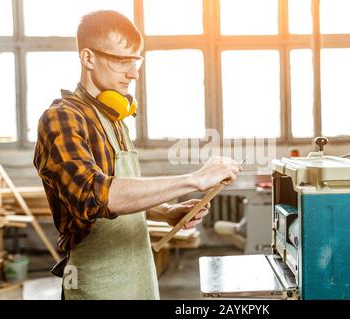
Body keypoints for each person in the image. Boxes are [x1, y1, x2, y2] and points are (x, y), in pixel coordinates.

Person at [33, 10, 242, 300]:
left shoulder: (116, 117)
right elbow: (93, 196)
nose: (134, 73)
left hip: (140, 277)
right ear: (88, 58)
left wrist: (165, 212)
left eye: (136, 61)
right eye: (122, 61)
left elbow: (123, 195)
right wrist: (195, 179)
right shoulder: (62, 119)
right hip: (97, 282)